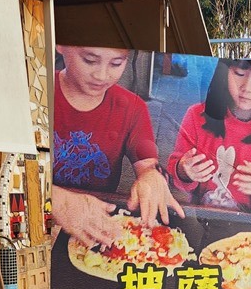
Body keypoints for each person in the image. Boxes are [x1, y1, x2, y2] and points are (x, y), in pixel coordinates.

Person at [52, 46, 183, 247]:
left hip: (97, 229)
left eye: (116, 63)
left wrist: (151, 177)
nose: (102, 75)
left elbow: (147, 164)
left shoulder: (133, 108)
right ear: (61, 45)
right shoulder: (35, 92)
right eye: (89, 60)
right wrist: (56, 200)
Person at [169, 59, 251, 214]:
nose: (247, 87)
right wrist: (184, 171)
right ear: (224, 71)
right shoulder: (196, 115)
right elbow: (175, 174)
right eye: (240, 73)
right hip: (206, 221)